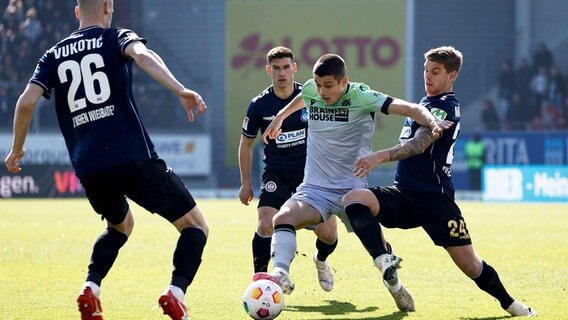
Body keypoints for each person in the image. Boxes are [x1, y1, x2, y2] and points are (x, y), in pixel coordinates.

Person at [4, 1, 209, 319]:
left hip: (89, 166)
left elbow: (26, 101)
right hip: (131, 155)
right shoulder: (116, 37)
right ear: (106, 6)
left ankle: (91, 288)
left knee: (120, 225)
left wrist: (17, 148)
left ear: (76, 13)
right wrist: (180, 89)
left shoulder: (54, 55)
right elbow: (142, 56)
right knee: (195, 226)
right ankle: (175, 293)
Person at [341, 46, 537, 317]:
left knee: (470, 265)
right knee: (354, 199)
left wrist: (379, 156)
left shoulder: (446, 108)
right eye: (426, 71)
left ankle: (510, 304)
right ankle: (385, 263)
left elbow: (419, 145)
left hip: (435, 198)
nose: (428, 76)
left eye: (435, 72)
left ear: (452, 75)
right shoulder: (424, 105)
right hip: (405, 193)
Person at [255, 53, 452, 313]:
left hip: (353, 190)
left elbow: (411, 109)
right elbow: (302, 97)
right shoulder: (314, 90)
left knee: (381, 253)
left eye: (329, 86)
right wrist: (280, 116)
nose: (321, 92)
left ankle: (396, 287)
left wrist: (432, 121)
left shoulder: (361, 96)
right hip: (315, 189)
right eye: (318, 84)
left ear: (344, 82)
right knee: (282, 218)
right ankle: (280, 274)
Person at [239, 46, 338, 292]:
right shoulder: (259, 105)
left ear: (294, 68)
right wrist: (246, 183)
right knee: (265, 224)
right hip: (277, 173)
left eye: (286, 67)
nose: (281, 73)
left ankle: (321, 261)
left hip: (312, 174)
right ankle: (262, 282)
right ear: (268, 70)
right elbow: (246, 144)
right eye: (276, 68)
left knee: (329, 236)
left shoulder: (313, 95)